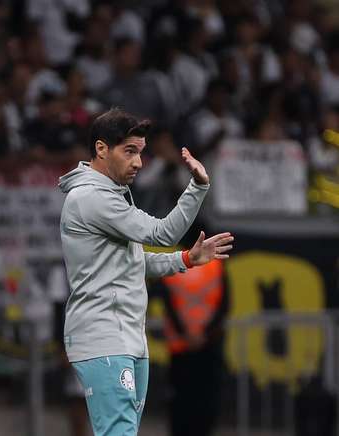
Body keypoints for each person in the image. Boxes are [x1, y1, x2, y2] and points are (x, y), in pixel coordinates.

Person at [58, 108, 234, 436]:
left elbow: (136, 261)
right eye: (129, 151)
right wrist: (197, 186)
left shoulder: (111, 197)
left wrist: (185, 259)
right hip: (103, 336)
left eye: (140, 152)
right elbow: (162, 233)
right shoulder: (91, 198)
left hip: (127, 337)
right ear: (100, 149)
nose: (139, 162)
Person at [154, 238, 229, 436]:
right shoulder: (216, 266)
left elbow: (167, 304)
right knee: (206, 406)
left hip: (181, 349)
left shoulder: (172, 265)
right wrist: (203, 334)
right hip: (208, 347)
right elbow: (224, 305)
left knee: (181, 406)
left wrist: (185, 334)